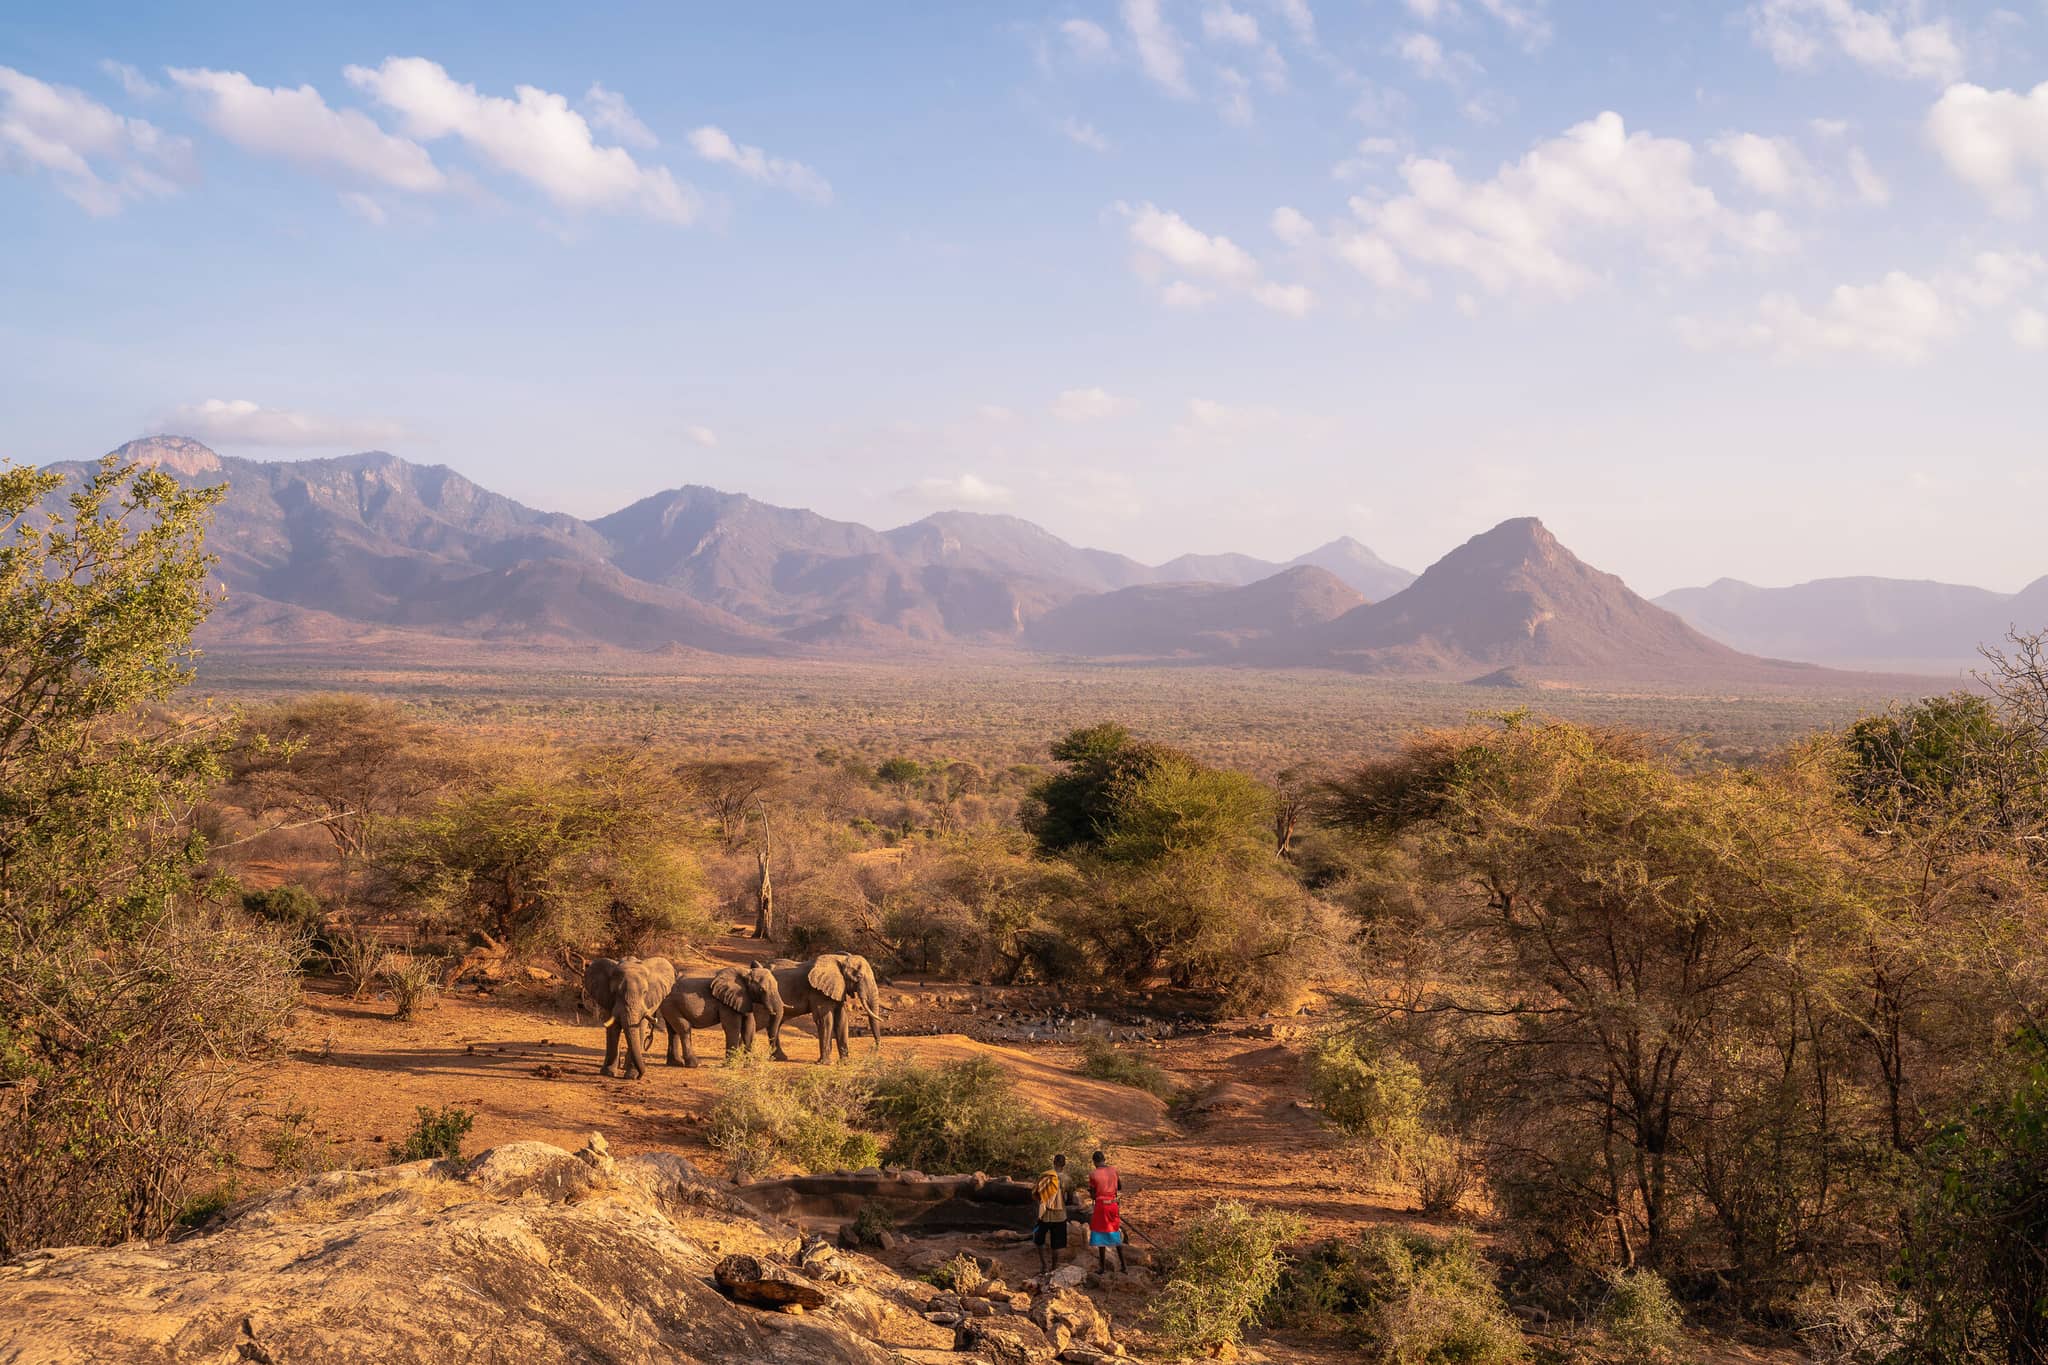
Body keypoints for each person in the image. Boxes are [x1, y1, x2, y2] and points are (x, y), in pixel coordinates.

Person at [1086, 1150, 1127, 1273]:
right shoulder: (1114, 1170)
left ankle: (1102, 1268)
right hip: (1113, 1205)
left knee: (1100, 1235)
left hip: (1101, 1206)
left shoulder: (1093, 1174)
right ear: (1104, 1159)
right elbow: (1119, 1187)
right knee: (1115, 1232)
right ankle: (1124, 1266)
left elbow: (1093, 1195)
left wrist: (1092, 1192)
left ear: (1094, 1162)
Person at [1033, 1153, 1069, 1274]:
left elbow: (1036, 1193)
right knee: (1056, 1244)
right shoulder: (1067, 1179)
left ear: (1053, 1162)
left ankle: (1043, 1265)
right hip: (1060, 1216)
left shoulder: (1044, 1175)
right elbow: (1069, 1199)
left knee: (1039, 1240)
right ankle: (1053, 1267)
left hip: (1044, 1215)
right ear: (1064, 1165)